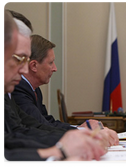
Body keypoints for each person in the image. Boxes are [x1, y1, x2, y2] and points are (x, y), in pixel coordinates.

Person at [2, 9, 107, 162]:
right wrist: (59, 151)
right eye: (19, 58)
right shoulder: (17, 89)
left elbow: (16, 134)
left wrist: (76, 138)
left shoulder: (9, 92)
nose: (23, 69)